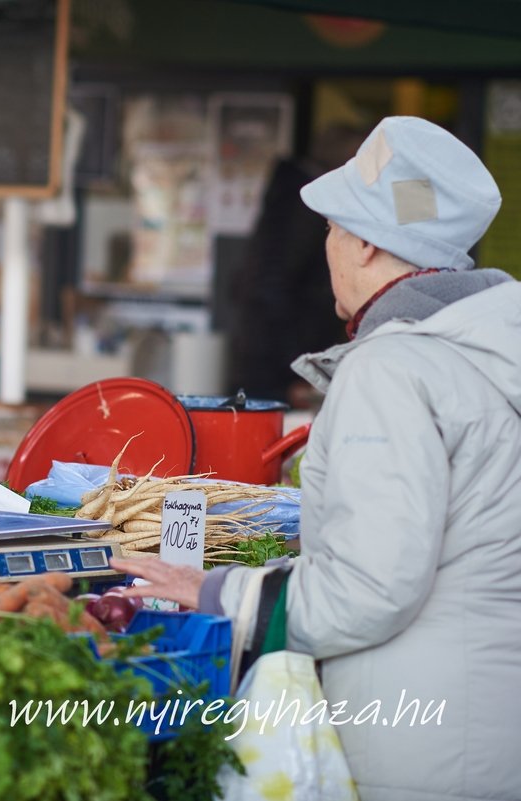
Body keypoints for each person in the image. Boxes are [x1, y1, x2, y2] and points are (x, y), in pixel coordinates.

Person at [115, 117, 521, 801]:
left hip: (412, 746)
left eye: (332, 228)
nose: (326, 244)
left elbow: (367, 591)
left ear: (364, 244)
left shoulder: (394, 370)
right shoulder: (488, 352)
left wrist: (217, 591)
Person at [225, 123, 364, 407]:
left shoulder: (293, 198)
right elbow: (268, 288)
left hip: (272, 364)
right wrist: (290, 375)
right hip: (275, 371)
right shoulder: (302, 205)